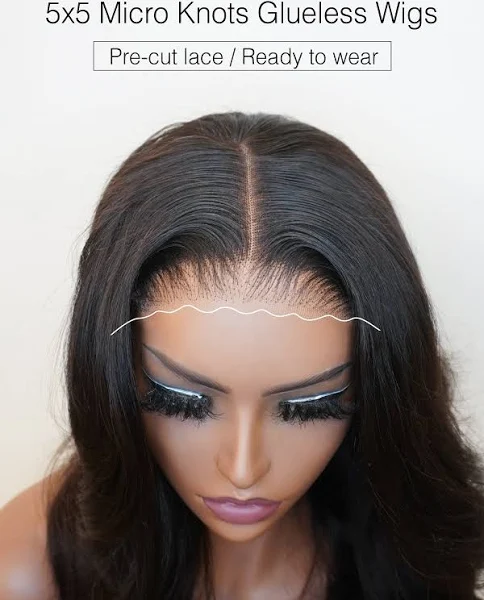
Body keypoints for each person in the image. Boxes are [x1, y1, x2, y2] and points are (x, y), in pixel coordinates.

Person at [1, 111, 483, 600]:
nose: (243, 469)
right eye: (182, 401)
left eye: (309, 407)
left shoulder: (413, 558)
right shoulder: (31, 572)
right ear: (114, 369)